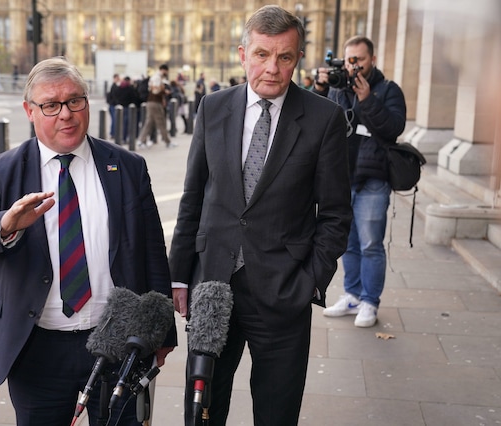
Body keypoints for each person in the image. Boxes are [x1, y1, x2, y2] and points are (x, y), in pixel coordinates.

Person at [0, 57, 177, 426]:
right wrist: (6, 223)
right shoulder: (3, 170)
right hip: (37, 350)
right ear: (29, 111)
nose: (66, 114)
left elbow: (152, 251)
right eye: (51, 105)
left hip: (117, 343)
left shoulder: (127, 166)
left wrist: (162, 332)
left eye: (75, 101)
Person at [168, 5, 352, 426]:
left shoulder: (324, 119)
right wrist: (180, 274)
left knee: (276, 412)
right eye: (262, 54)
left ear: (298, 59)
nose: (272, 68)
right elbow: (194, 195)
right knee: (202, 411)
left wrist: (310, 281)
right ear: (243, 53)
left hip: (284, 292)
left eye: (285, 57)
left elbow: (336, 213)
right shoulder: (212, 108)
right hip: (212, 287)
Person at [314, 36, 407, 328]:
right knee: (348, 245)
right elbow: (318, 123)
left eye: (359, 60)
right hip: (341, 179)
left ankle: (370, 301)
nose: (354, 66)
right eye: (349, 60)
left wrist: (367, 100)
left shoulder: (389, 90)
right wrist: (320, 87)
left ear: (373, 60)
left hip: (372, 181)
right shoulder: (338, 88)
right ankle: (352, 295)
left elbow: (394, 128)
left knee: (370, 245)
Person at [137, 65, 173, 148]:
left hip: (151, 102)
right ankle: (167, 141)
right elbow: (155, 90)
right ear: (163, 70)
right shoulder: (157, 77)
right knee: (161, 122)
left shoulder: (156, 77)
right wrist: (164, 91)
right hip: (155, 102)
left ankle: (141, 140)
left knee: (149, 123)